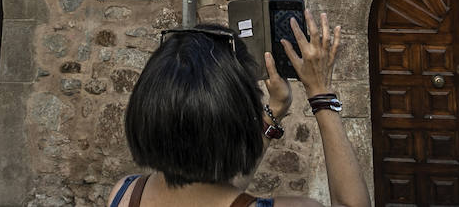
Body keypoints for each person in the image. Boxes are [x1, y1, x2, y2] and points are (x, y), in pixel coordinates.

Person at [109, 12, 369, 207]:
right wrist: (320, 92)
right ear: (241, 118)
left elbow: (220, 188)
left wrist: (275, 109)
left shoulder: (124, 194)